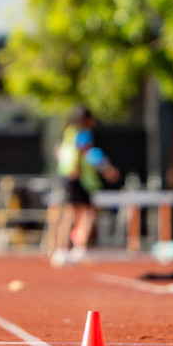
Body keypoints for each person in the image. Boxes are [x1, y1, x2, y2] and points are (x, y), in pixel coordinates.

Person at [51, 105, 120, 264]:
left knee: (71, 212)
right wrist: (106, 169)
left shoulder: (68, 132)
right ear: (86, 119)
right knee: (87, 213)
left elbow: (58, 150)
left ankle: (62, 251)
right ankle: (79, 249)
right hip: (79, 178)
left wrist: (66, 165)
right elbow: (87, 152)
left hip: (65, 175)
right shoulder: (83, 133)